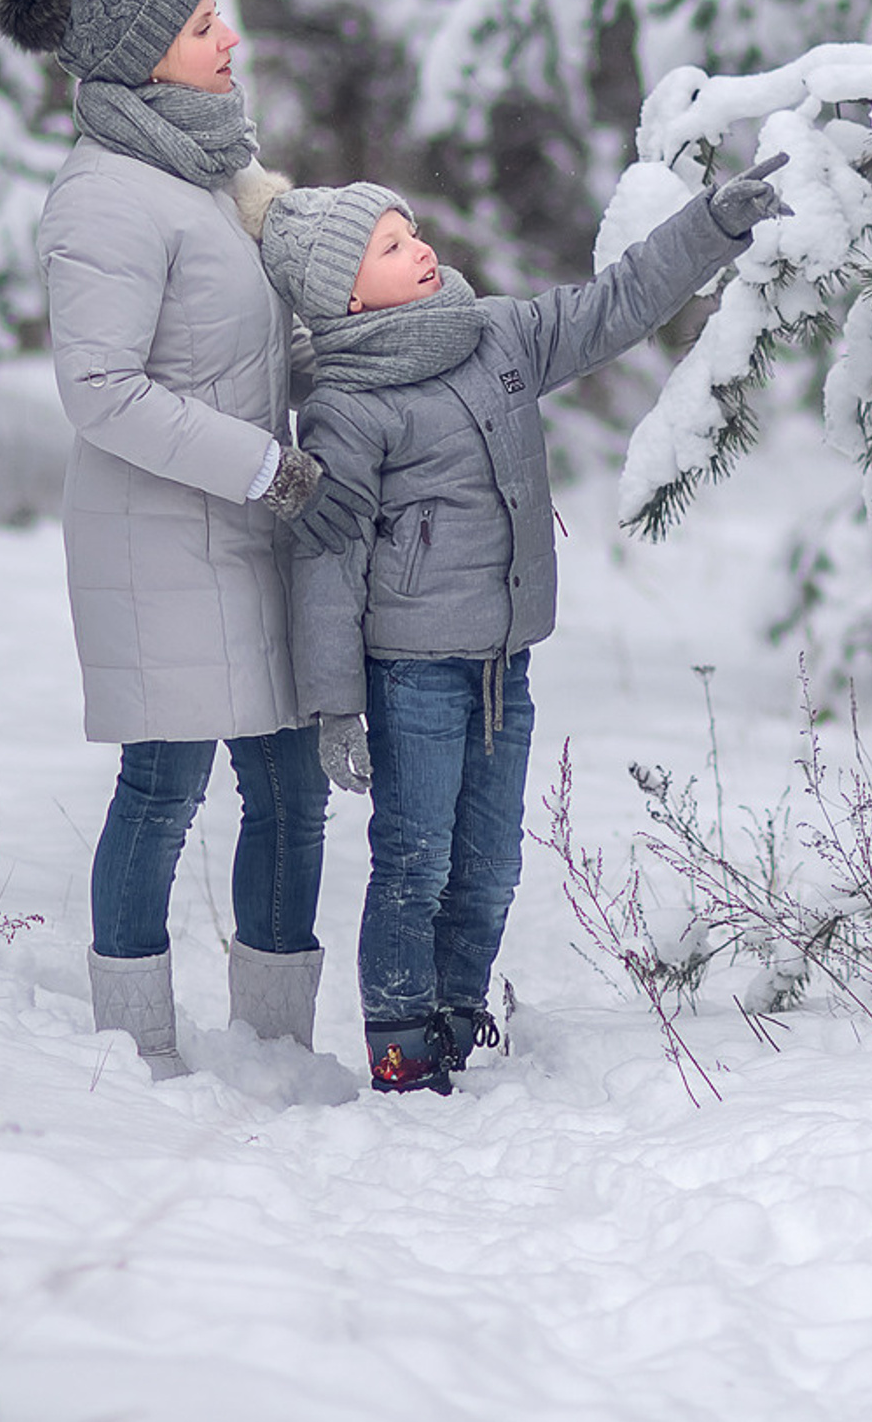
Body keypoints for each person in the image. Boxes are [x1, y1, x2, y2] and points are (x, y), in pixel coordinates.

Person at [255, 156, 786, 1093]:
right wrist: (337, 708)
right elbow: (327, 563)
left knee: (491, 862)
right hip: (412, 671)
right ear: (344, 296)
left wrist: (709, 226)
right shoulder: (347, 406)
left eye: (411, 231)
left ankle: (457, 1022)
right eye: (389, 247)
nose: (419, 249)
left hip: (505, 663)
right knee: (414, 862)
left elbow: (611, 305)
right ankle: (399, 1050)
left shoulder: (495, 333)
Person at [0, 0, 367, 1078]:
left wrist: (369, 394)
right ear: (143, 53)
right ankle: (135, 1046)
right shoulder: (104, 195)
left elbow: (261, 345)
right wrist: (265, 465)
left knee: (291, 790)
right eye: (206, 23)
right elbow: (100, 392)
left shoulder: (213, 173)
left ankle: (273, 1045)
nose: (230, 39)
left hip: (254, 523)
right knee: (164, 788)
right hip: (159, 537)